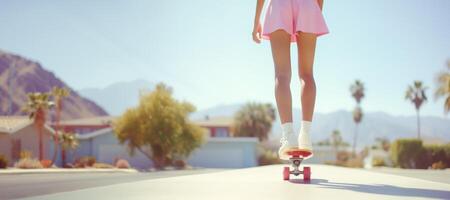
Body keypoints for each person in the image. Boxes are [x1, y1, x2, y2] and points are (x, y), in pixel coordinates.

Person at [252, 0, 329, 160]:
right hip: (308, 5)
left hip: (279, 6)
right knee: (307, 74)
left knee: (282, 75)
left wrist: (256, 22)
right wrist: (315, 12)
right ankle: (306, 135)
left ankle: (288, 136)